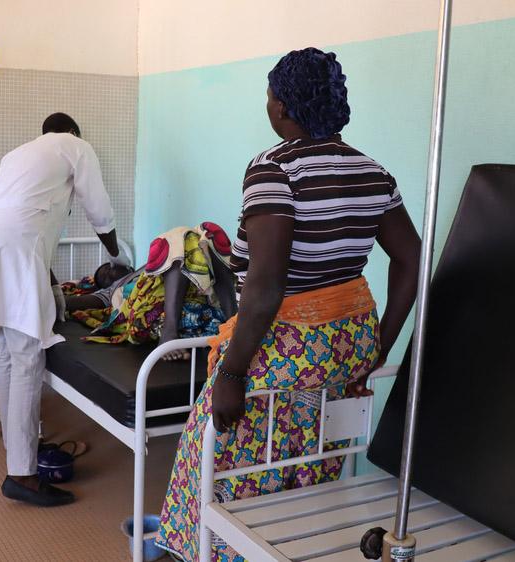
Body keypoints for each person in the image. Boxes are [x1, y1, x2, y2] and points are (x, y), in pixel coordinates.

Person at [155, 48, 422, 561]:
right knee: (301, 455)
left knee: (206, 457)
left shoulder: (273, 171)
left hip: (287, 348)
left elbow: (266, 285)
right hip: (346, 348)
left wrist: (232, 375)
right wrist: (376, 350)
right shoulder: (374, 172)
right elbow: (411, 261)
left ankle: (206, 552)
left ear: (282, 107)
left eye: (270, 96)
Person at [0, 112, 131, 508]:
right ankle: (21, 474)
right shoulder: (76, 147)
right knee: (26, 360)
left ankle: (17, 448)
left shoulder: (18, 156)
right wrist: (116, 255)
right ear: (73, 131)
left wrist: (52, 287)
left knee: (7, 354)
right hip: (15, 250)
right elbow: (100, 210)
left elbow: (31, 228)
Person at [63, 223, 238, 360]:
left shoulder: (152, 265)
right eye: (103, 276)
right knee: (182, 237)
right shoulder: (111, 291)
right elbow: (69, 303)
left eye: (108, 268)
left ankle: (233, 322)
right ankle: (171, 330)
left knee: (205, 236)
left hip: (199, 289)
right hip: (148, 302)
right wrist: (50, 297)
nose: (108, 272)